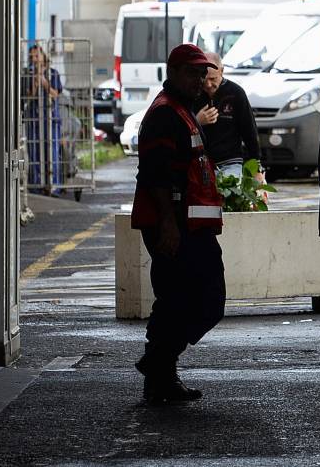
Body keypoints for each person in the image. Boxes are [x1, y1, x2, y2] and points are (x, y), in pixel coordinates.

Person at [130, 43, 226, 404]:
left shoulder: (184, 111)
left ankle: (160, 370)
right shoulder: (164, 114)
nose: (200, 79)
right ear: (173, 73)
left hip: (191, 225)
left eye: (203, 73)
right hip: (174, 226)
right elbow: (155, 176)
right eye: (192, 72)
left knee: (187, 299)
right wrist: (168, 226)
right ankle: (158, 368)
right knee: (187, 298)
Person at [194, 52, 263, 181]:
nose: (208, 85)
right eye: (204, 79)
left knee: (227, 192)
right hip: (201, 163)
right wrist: (197, 121)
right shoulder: (194, 94)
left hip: (230, 161)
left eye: (213, 79)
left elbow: (249, 131)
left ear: (222, 71)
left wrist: (257, 168)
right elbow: (182, 130)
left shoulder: (236, 93)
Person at [23, 45, 63, 193]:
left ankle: (54, 186)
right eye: (31, 57)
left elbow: (55, 94)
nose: (34, 59)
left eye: (36, 56)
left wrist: (45, 83)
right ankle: (36, 186)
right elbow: (28, 96)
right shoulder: (27, 74)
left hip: (50, 117)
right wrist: (35, 82)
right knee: (34, 152)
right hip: (34, 118)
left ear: (43, 56)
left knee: (52, 151)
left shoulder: (53, 73)